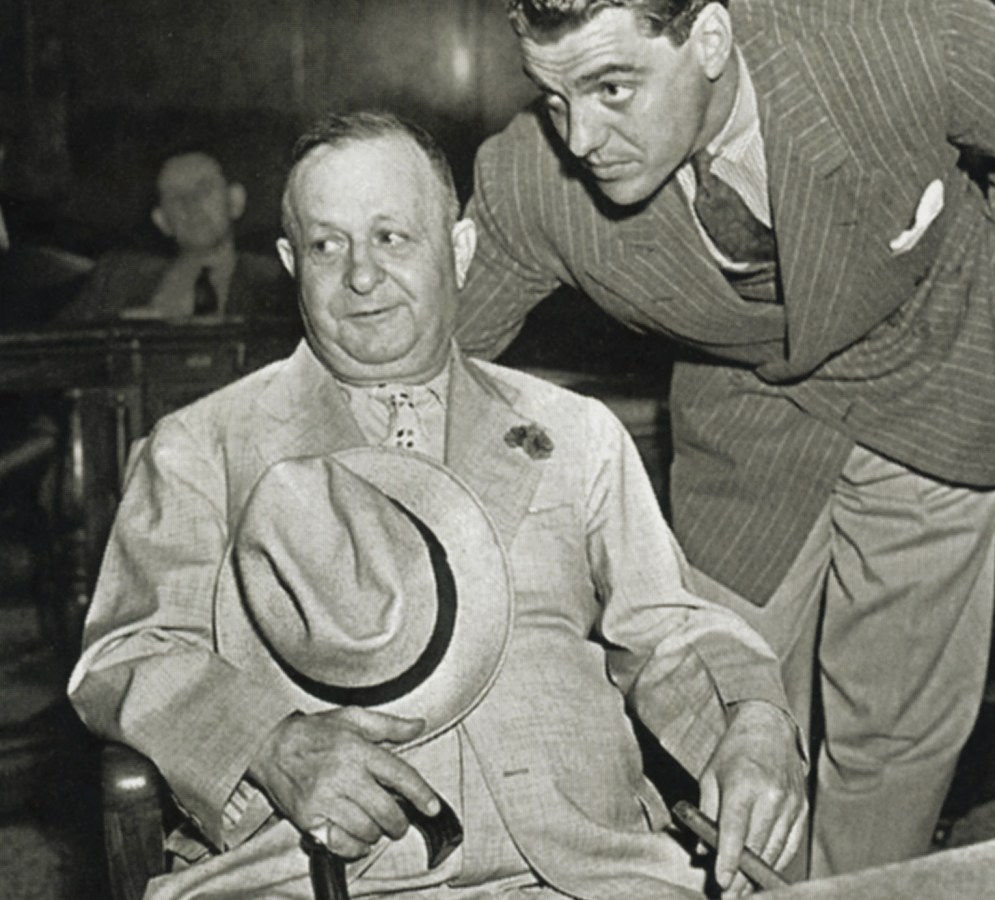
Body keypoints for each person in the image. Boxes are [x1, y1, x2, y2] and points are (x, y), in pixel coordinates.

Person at [452, 0, 995, 879]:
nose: (581, 137)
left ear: (709, 40)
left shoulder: (889, 42)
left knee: (890, 739)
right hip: (746, 423)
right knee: (718, 712)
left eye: (612, 87)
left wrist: (989, 291)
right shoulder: (532, 183)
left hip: (931, 387)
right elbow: (429, 354)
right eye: (555, 98)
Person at [67, 110, 807, 899]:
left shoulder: (573, 432)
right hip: (314, 876)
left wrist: (753, 719)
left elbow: (666, 632)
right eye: (327, 245)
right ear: (290, 263)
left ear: (457, 250)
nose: (360, 275)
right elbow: (124, 657)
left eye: (392, 237)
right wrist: (272, 747)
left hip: (589, 867)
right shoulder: (201, 447)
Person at [56, 149, 289, 322]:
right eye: (175, 197)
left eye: (204, 189)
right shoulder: (116, 279)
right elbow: (53, 356)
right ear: (162, 220)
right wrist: (125, 328)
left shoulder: (282, 283)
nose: (191, 204)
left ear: (235, 202)